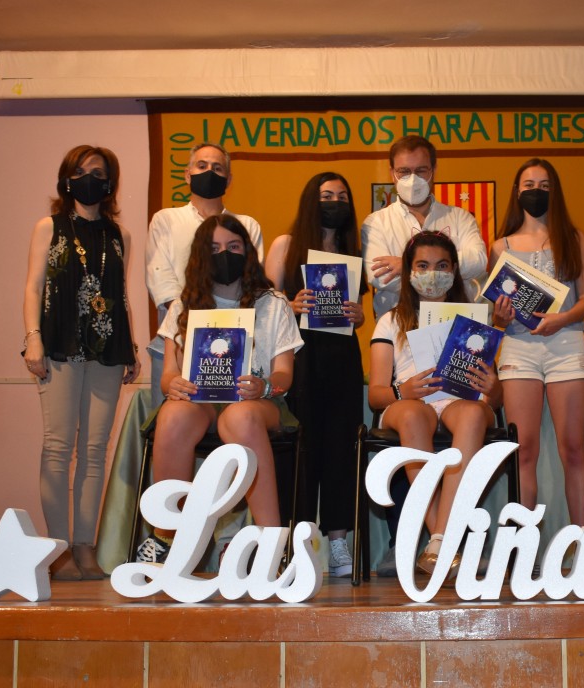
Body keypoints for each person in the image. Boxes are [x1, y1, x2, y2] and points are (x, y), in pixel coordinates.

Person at [136, 215, 302, 563]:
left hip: (259, 402)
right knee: (173, 415)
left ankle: (271, 544)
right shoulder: (184, 305)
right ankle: (168, 536)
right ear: (200, 255)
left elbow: (285, 375)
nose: (224, 254)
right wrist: (175, 384)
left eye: (233, 247)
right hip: (202, 403)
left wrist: (265, 385)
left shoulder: (273, 303)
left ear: (248, 252)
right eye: (213, 249)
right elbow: (168, 375)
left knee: (240, 418)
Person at [23, 145, 140, 580]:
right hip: (57, 344)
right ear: (67, 177)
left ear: (110, 183)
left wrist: (130, 347)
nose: (91, 178)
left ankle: (85, 548)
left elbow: (122, 294)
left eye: (100, 172)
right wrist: (32, 339)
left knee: (94, 451)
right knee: (58, 447)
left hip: (107, 349)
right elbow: (34, 287)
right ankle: (56, 550)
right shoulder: (47, 227)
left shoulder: (119, 235)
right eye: (82, 171)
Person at [367, 231, 502, 574]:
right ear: (409, 272)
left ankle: (438, 541)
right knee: (413, 414)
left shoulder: (475, 320)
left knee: (473, 414)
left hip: (461, 400)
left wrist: (493, 386)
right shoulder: (391, 320)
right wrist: (404, 391)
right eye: (423, 266)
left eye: (442, 266)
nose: (432, 273)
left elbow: (496, 400)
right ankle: (444, 538)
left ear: (455, 270)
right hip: (410, 402)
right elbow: (376, 394)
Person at [265, 172, 366, 578]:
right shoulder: (285, 245)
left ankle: (339, 540)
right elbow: (266, 303)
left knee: (342, 445)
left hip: (342, 355)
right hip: (299, 354)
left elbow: (356, 310)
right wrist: (291, 303)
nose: (335, 202)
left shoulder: (351, 249)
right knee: (303, 445)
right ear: (311, 199)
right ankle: (299, 539)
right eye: (327, 195)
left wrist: (359, 315)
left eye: (342, 196)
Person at [490, 158, 584, 527]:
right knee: (524, 452)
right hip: (518, 349)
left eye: (544, 185)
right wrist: (500, 317)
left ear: (556, 191)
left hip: (567, 345)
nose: (536, 192)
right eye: (529, 185)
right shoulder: (499, 245)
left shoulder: (574, 237)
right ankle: (523, 547)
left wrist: (561, 319)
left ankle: (583, 545)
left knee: (573, 451)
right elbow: (496, 310)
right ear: (517, 191)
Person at [146, 142, 264, 408]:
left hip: (231, 349)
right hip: (174, 344)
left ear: (228, 179)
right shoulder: (166, 220)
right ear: (187, 174)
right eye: (202, 166)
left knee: (230, 430)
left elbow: (250, 283)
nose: (209, 171)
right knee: (171, 426)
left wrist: (219, 332)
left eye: (217, 167)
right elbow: (161, 281)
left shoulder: (246, 226)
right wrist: (195, 330)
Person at [361, 135, 487, 318]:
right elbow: (380, 277)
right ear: (392, 173)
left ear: (433, 170)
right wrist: (445, 270)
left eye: (421, 170)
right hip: (399, 326)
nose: (412, 179)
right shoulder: (375, 223)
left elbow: (478, 261)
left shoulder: (460, 217)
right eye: (404, 171)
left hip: (454, 323)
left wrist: (404, 265)